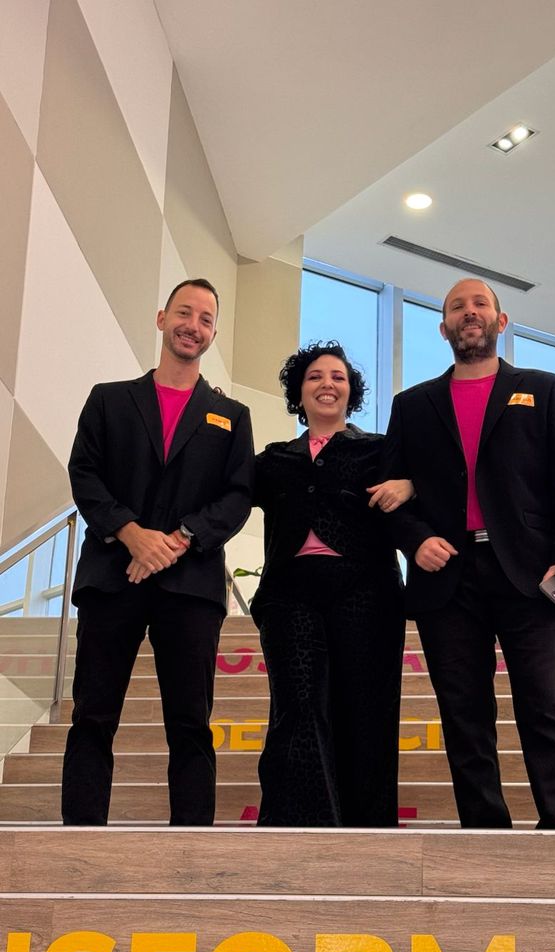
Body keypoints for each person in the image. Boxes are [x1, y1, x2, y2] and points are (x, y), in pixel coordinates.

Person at [382, 278, 555, 830]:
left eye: (480, 304)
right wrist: (415, 539)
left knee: (547, 706)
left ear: (501, 322)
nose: (469, 312)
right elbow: (388, 493)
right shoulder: (412, 405)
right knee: (464, 715)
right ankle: (485, 834)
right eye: (457, 306)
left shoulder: (544, 389)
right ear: (443, 327)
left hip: (530, 571)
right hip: (446, 577)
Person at [61, 278, 254, 826]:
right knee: (92, 717)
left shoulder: (231, 415)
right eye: (185, 313)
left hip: (190, 586)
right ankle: (79, 844)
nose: (194, 325)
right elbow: (84, 474)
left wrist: (179, 539)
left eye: (206, 319)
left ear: (213, 334)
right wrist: (131, 533)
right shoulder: (109, 399)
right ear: (162, 318)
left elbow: (238, 495)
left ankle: (191, 848)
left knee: (190, 724)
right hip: (112, 575)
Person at [251, 341, 412, 827]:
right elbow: (220, 492)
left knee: (365, 712)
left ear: (350, 391)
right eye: (315, 376)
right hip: (290, 593)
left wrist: (411, 484)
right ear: (299, 392)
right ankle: (301, 829)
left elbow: (438, 473)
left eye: (338, 377)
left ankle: (367, 833)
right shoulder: (273, 459)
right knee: (298, 705)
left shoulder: (379, 449)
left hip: (366, 594)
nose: (327, 384)